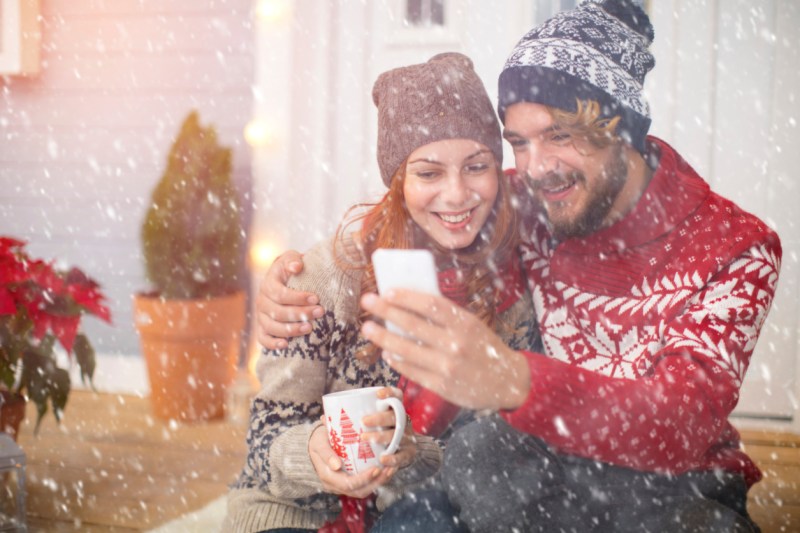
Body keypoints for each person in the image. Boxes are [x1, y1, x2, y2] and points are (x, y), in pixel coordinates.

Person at [255, 1, 782, 532]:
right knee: (462, 469)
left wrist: (516, 381)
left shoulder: (735, 246)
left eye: (559, 135)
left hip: (671, 483)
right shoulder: (530, 202)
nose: (537, 167)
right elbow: (422, 208)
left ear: (621, 128)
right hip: (535, 464)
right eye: (519, 143)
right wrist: (297, 279)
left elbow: (681, 423)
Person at [225, 52, 538, 533]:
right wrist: (312, 452)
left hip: (419, 512)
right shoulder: (327, 277)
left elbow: (493, 458)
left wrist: (412, 453)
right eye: (429, 173)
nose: (457, 194)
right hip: (298, 513)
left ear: (498, 169)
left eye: (476, 167)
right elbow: (264, 441)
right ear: (398, 182)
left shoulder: (513, 286)